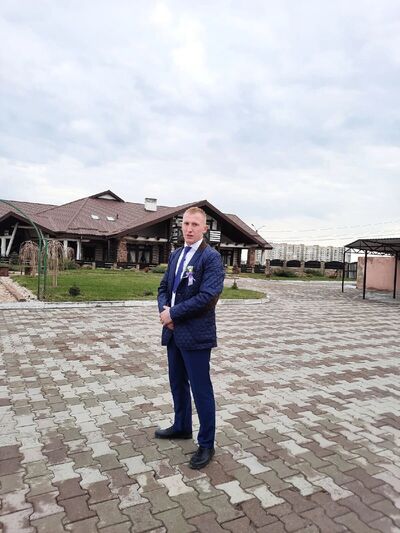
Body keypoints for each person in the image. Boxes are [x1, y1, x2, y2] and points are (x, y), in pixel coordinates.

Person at [155, 207, 224, 469]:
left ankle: (206, 444)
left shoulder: (211, 258)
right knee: (177, 383)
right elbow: (163, 287)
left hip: (196, 334)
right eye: (186, 223)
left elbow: (207, 298)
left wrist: (173, 314)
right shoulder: (176, 254)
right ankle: (182, 426)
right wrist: (164, 312)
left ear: (205, 228)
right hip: (173, 331)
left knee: (200, 389)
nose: (189, 229)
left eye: (195, 224)